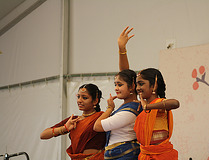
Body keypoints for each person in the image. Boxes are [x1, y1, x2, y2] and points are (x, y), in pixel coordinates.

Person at [118, 26, 180, 160]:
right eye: (137, 84)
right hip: (144, 155)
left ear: (154, 85)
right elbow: (125, 76)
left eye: (141, 84)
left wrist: (148, 107)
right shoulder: (140, 103)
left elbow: (175, 103)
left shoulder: (159, 105)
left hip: (162, 156)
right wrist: (122, 50)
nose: (138, 88)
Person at [40, 83, 106, 160]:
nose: (79, 100)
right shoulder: (74, 120)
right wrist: (64, 128)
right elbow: (43, 135)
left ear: (95, 101)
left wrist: (110, 109)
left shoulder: (101, 118)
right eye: (78, 97)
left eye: (84, 98)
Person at [93, 69, 142, 160]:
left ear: (131, 87)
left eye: (120, 85)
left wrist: (110, 109)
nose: (116, 88)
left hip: (125, 154)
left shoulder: (130, 110)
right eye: (115, 85)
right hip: (119, 153)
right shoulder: (127, 106)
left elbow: (97, 126)